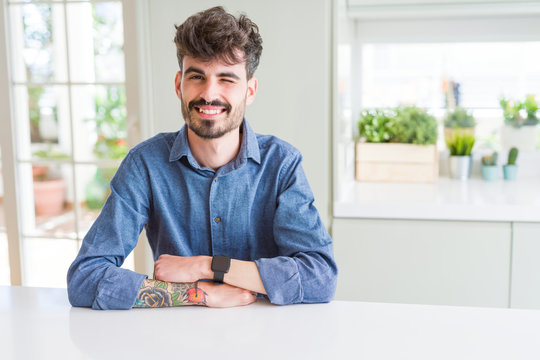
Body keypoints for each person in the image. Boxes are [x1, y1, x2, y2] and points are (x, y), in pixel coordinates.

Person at [67, 6, 337, 310]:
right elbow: (84, 279)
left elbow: (320, 277)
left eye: (227, 79)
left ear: (250, 91)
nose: (209, 93)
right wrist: (198, 294)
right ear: (179, 85)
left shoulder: (282, 164)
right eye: (197, 76)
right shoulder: (145, 164)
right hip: (177, 341)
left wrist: (205, 266)